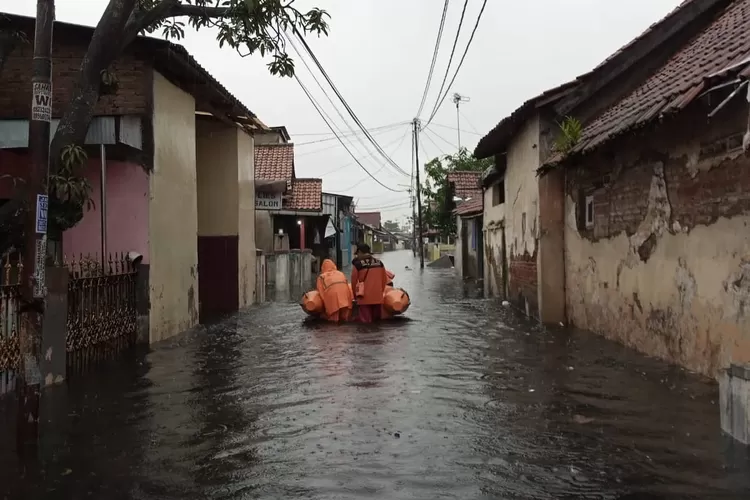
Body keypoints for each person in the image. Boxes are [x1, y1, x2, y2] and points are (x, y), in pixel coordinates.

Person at [351, 243, 388, 323]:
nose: (357, 256)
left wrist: (355, 296)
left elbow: (354, 282)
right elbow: (384, 280)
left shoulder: (358, 265)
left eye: (357, 254)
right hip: (378, 297)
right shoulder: (379, 263)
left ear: (360, 252)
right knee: (377, 322)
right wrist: (380, 293)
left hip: (364, 298)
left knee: (366, 323)